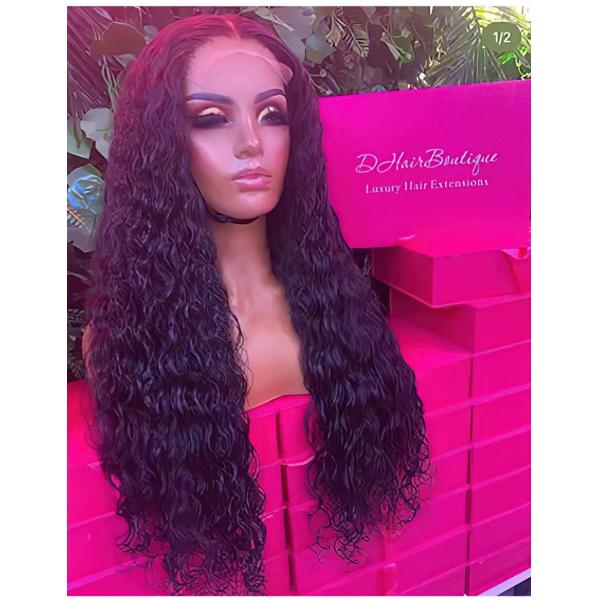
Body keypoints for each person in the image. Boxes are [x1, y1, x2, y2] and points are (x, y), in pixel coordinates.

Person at [83, 12, 431, 596]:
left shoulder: (335, 304)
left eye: (272, 114)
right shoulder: (130, 342)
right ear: (161, 145)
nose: (252, 142)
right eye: (211, 118)